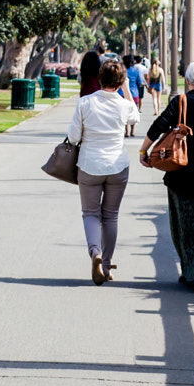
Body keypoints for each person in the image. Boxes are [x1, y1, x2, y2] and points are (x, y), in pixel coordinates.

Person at [143, 61, 194, 293]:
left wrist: (144, 151)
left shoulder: (181, 102)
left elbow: (157, 126)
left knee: (183, 228)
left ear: (188, 81)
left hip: (181, 175)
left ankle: (189, 272)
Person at [66, 57, 139, 284]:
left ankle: (95, 253)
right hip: (117, 166)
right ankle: (106, 265)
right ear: (120, 81)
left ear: (99, 79)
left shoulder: (86, 103)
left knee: (90, 213)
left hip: (89, 165)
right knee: (111, 216)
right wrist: (126, 90)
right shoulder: (124, 104)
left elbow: (73, 137)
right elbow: (135, 116)